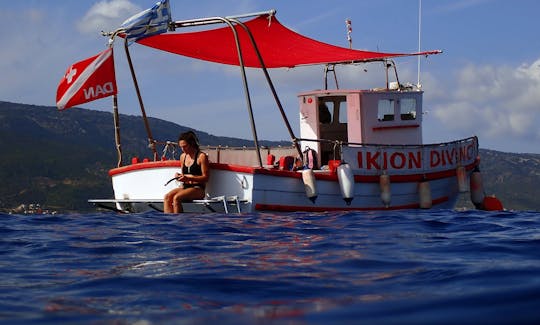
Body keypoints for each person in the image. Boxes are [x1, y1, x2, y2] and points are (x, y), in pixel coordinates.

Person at [164, 131, 210, 213]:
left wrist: (188, 177)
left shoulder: (201, 157)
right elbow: (183, 174)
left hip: (198, 189)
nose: (183, 149)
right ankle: (169, 222)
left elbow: (206, 178)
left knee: (177, 198)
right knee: (167, 197)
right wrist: (179, 176)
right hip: (185, 187)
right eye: (181, 147)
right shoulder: (182, 157)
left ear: (192, 144)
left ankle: (179, 222)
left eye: (185, 146)